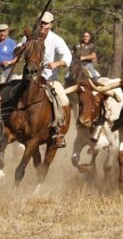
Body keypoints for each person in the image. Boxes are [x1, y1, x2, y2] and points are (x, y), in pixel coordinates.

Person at [18, 11, 72, 148]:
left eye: (46, 23)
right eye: (41, 22)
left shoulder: (56, 40)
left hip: (49, 79)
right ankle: (4, 122)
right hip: (29, 78)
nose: (43, 25)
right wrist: (20, 50)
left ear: (51, 24)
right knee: (12, 91)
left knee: (61, 98)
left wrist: (56, 64)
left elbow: (67, 57)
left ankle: (58, 131)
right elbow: (18, 48)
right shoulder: (30, 37)